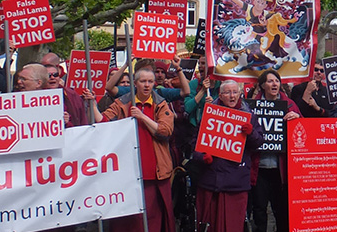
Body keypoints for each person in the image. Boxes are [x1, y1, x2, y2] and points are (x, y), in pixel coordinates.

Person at [93, 67, 175, 232]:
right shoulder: (122, 102)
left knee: (152, 218)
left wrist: (142, 116)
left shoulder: (161, 104)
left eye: (150, 82)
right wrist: (92, 104)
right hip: (128, 171)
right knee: (130, 220)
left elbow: (165, 132)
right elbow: (103, 122)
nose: (147, 85)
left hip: (154, 171)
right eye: (143, 81)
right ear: (135, 83)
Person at [192, 80, 264, 232]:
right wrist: (202, 157)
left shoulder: (249, 115)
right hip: (211, 180)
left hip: (236, 182)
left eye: (235, 92)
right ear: (220, 95)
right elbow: (195, 144)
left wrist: (251, 133)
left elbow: (259, 143)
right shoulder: (209, 114)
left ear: (240, 95)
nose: (232, 96)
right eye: (227, 93)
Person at [249, 70, 300, 232]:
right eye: (270, 81)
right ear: (262, 85)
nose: (274, 84)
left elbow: (303, 131)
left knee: (282, 211)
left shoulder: (290, 105)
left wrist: (297, 119)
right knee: (259, 211)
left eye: (277, 81)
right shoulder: (251, 106)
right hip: (259, 169)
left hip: (281, 171)